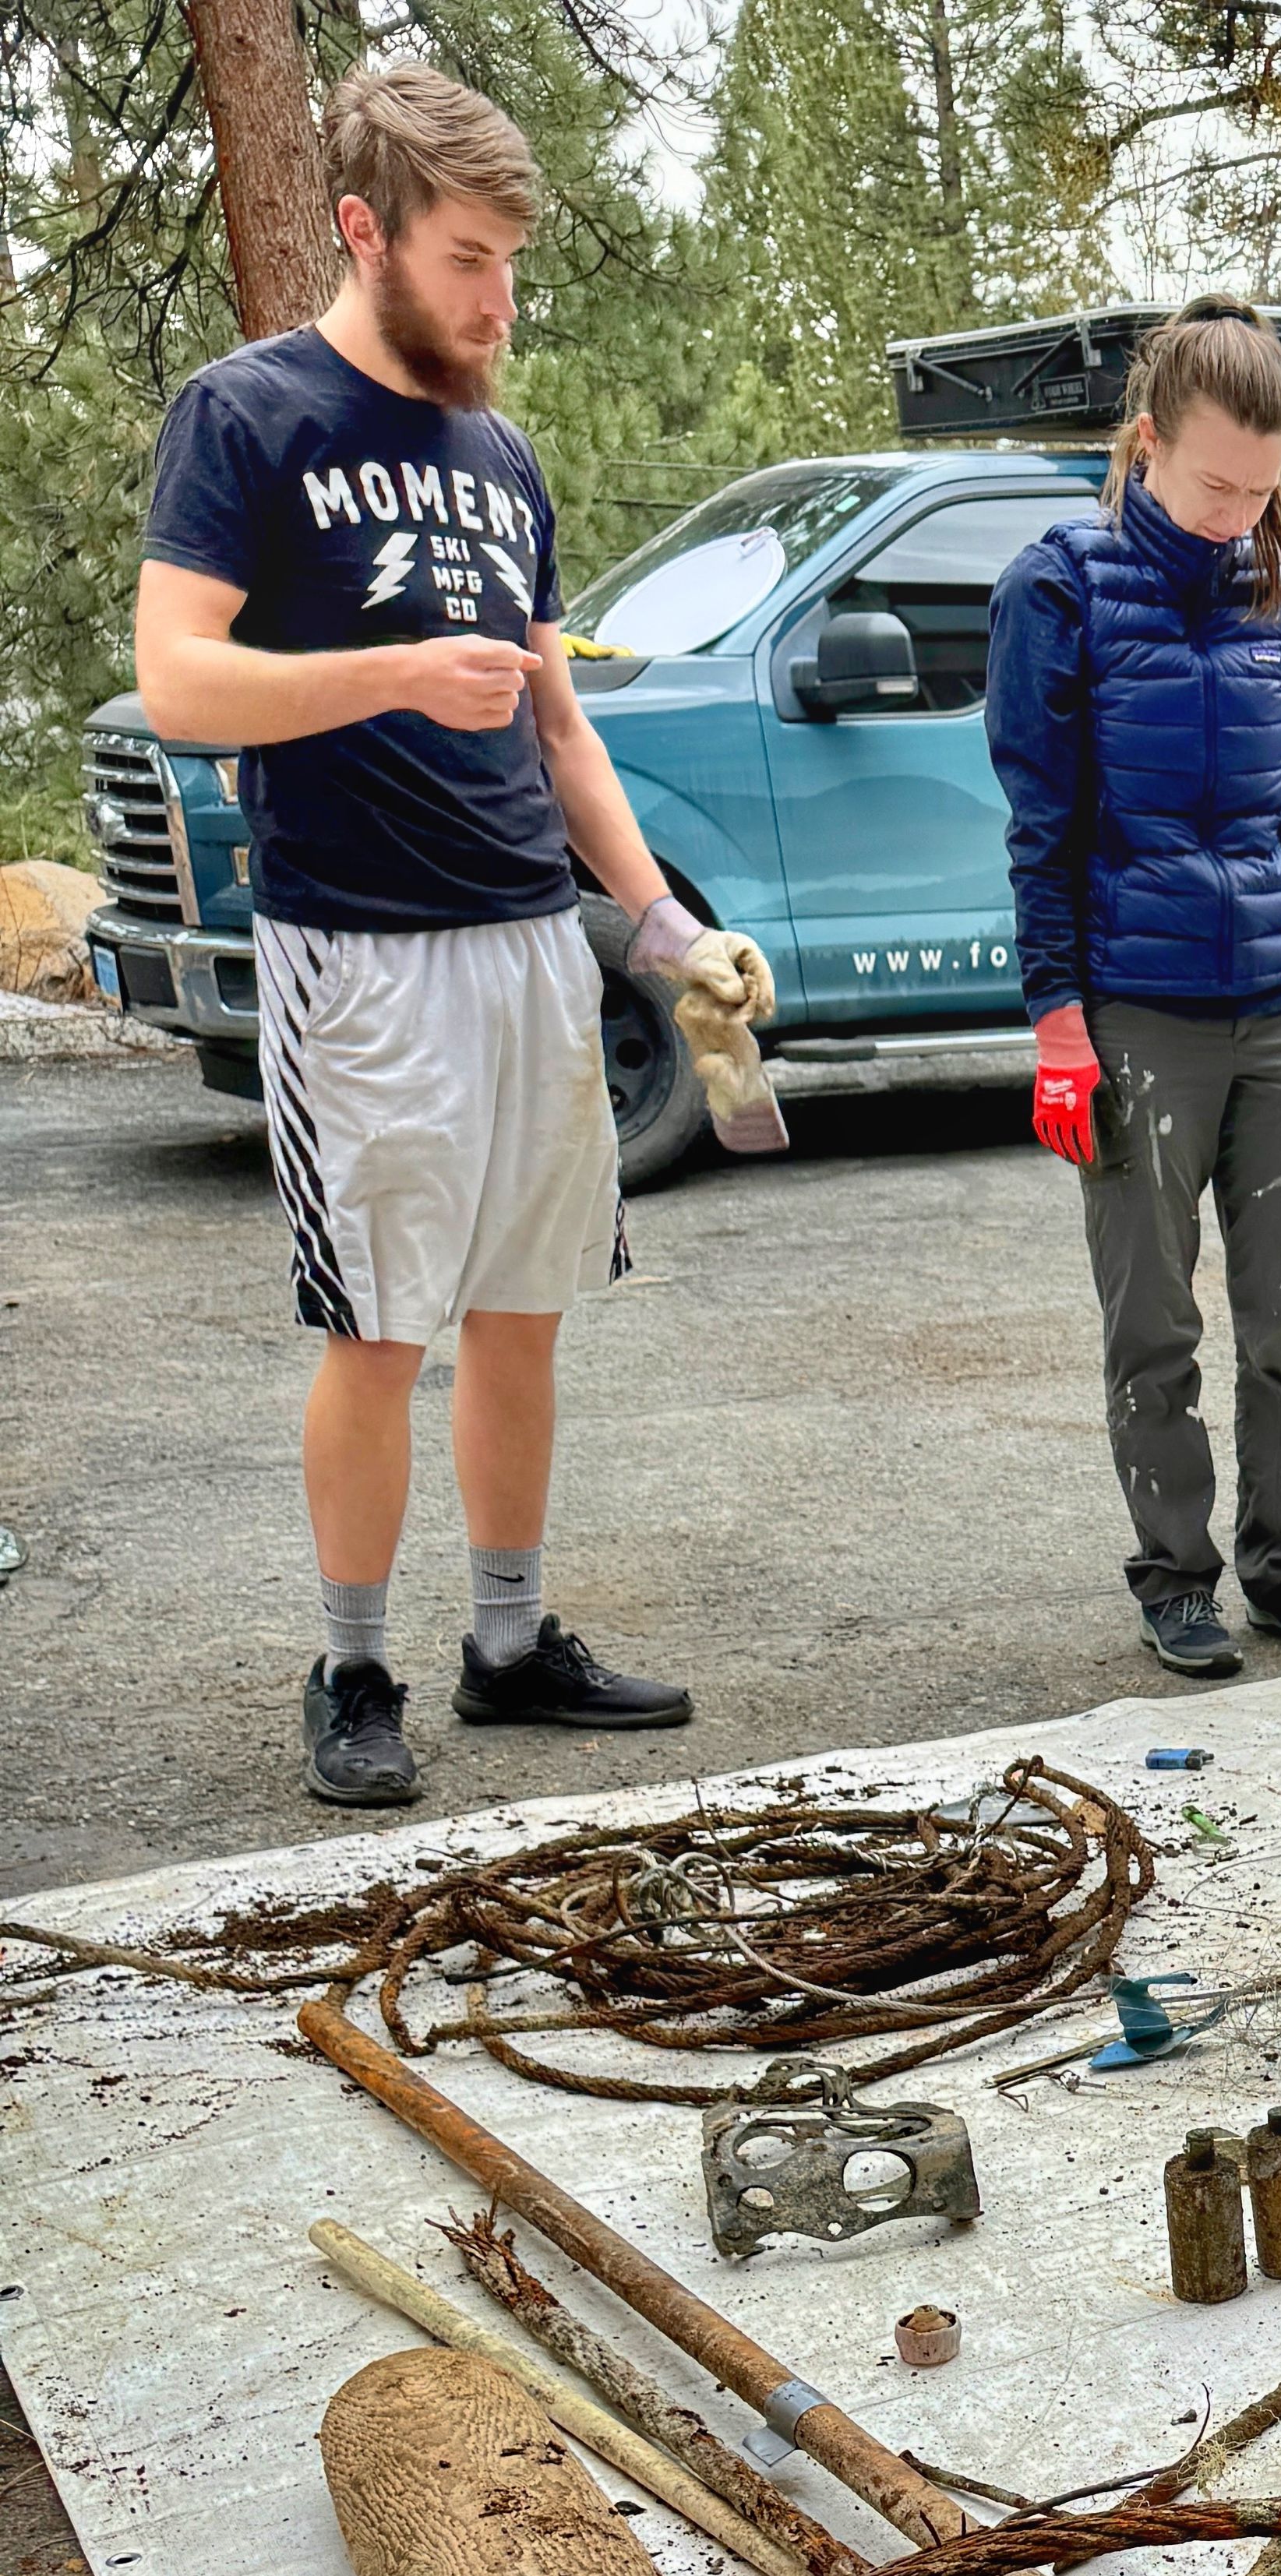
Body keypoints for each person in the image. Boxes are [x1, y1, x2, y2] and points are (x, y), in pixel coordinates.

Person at [132, 61, 765, 1810]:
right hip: (359, 954)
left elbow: (563, 734)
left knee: (524, 1309)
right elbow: (181, 680)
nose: (499, 300)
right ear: (367, 231)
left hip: (525, 950)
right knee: (380, 1326)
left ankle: (507, 1642)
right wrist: (393, 676)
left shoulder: (501, 453)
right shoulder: (247, 415)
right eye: (470, 259)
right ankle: (351, 1666)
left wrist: (660, 928)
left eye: (511, 265)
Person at [984, 298, 1281, 1681]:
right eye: (1215, 484)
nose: (1236, 514)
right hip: (1136, 1010)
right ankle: (1176, 1575)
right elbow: (1040, 826)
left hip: (1276, 1001)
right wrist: (1055, 1028)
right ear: (1147, 442)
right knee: (1154, 1320)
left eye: (1262, 490)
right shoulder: (1060, 587)